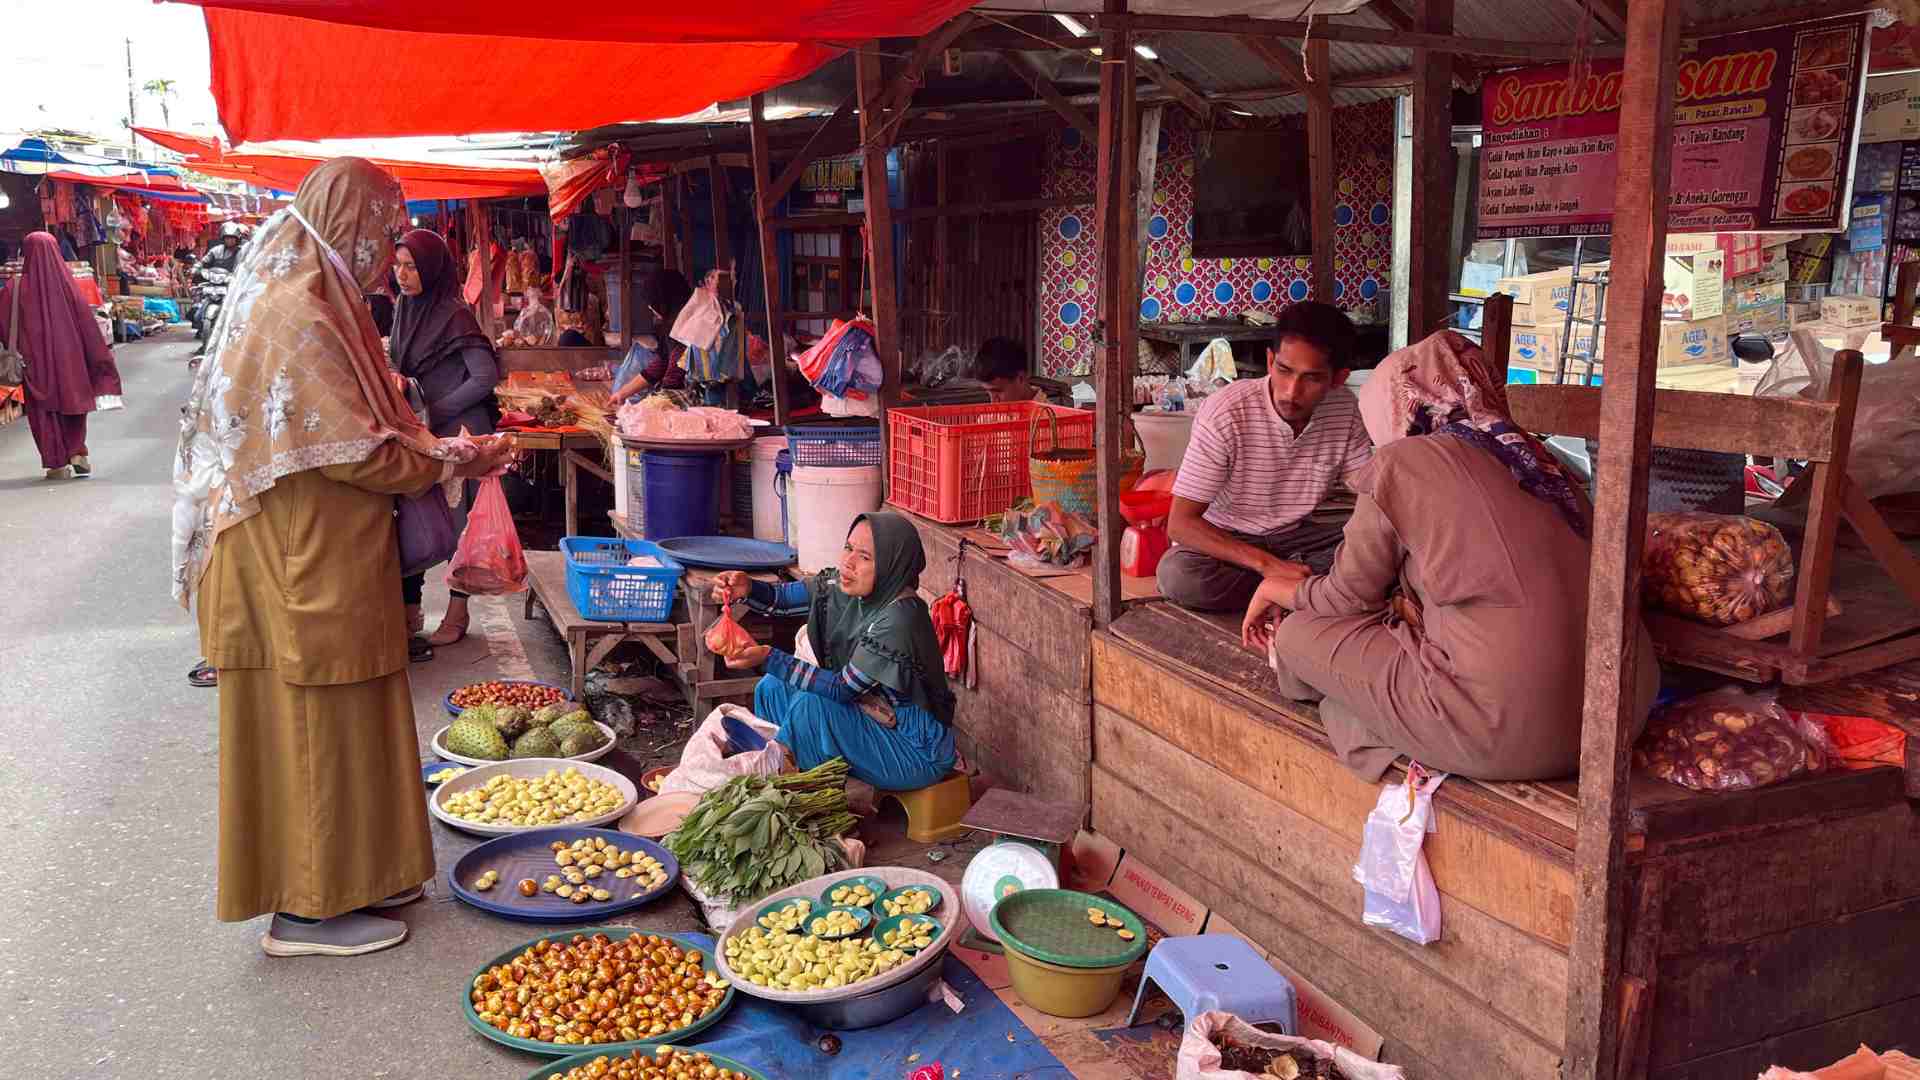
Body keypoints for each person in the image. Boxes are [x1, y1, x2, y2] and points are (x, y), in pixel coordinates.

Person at [171, 157, 516, 957]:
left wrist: (442, 450)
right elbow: (358, 449)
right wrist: (455, 458)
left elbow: (365, 426)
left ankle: (363, 876)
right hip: (296, 560)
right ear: (350, 225)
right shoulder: (299, 311)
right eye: (384, 233)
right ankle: (307, 911)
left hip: (324, 550)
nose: (389, 253)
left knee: (355, 716)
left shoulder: (318, 298)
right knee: (314, 728)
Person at [1244, 331, 1660, 782]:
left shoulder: (1402, 462)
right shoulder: (1538, 460)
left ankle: (1325, 690)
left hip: (1502, 732)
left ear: (1396, 403)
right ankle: (1366, 707)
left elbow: (1347, 598)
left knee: (1298, 635)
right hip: (1618, 718)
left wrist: (1276, 588)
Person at [710, 513, 957, 792]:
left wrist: (769, 657)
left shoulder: (900, 618)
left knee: (812, 706)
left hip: (915, 748)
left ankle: (796, 780)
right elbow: (783, 599)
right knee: (773, 687)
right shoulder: (843, 588)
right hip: (873, 713)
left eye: (865, 556)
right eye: (848, 548)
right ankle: (789, 766)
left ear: (892, 565)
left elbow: (842, 689)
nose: (848, 562)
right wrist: (747, 588)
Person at [1156, 301, 1372, 612]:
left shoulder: (1345, 409)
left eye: (1312, 378)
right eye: (1284, 371)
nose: (1291, 392)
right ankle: (1298, 590)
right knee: (1179, 576)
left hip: (1299, 538)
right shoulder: (1226, 412)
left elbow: (1368, 492)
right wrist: (1267, 565)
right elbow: (1180, 524)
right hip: (1229, 542)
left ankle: (1290, 588)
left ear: (1338, 379)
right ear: (1270, 361)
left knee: (1383, 548)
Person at [390, 227, 504, 649]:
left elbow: (484, 376)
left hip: (459, 428)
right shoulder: (405, 309)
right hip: (423, 429)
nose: (402, 275)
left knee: (459, 525)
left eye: (412, 266)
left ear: (432, 269)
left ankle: (458, 612)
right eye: (398, 266)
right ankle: (410, 609)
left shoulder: (455, 315)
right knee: (413, 516)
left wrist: (434, 410)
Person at [0, 232, 122, 480]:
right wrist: (97, 359)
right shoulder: (69, 286)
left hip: (34, 364)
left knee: (43, 411)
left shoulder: (15, 287)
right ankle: (76, 450)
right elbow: (88, 326)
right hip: (71, 361)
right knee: (73, 403)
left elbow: (3, 324)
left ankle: (56, 464)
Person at [608, 269, 694, 404]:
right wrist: (622, 393)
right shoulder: (670, 325)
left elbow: (675, 376)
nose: (650, 307)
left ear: (663, 299)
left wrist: (655, 404)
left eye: (652, 302)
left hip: (693, 397)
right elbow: (662, 362)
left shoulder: (687, 326)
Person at [974, 336, 1047, 404]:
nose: (993, 401)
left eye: (998, 391)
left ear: (1021, 378)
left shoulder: (1049, 413)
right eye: (988, 392)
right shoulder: (992, 413)